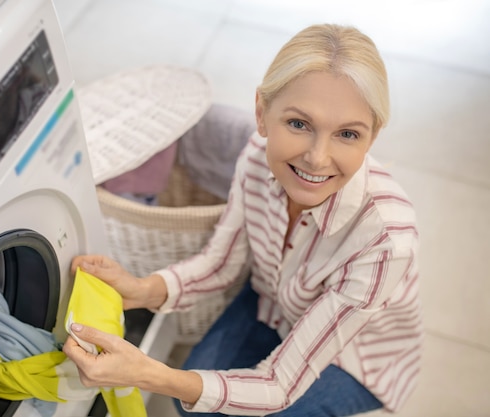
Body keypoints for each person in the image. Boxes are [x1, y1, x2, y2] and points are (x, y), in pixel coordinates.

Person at [63, 23, 422, 416]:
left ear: (372, 137)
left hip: (354, 359)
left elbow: (280, 384)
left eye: (348, 134)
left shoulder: (385, 239)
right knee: (195, 406)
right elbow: (222, 262)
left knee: (199, 398)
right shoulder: (255, 156)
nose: (318, 158)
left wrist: (148, 373)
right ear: (262, 113)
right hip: (272, 302)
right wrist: (140, 288)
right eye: (299, 124)